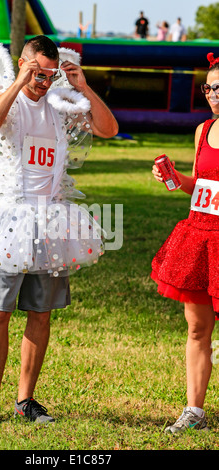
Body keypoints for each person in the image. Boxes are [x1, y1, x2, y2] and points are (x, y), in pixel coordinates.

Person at [0, 34, 118, 427]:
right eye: (36, 73)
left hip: (52, 220)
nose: (42, 82)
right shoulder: (1, 97)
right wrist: (18, 83)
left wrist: (83, 87)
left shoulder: (60, 108)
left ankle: (26, 399)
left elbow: (108, 129)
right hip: (9, 221)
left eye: (48, 75)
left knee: (40, 312)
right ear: (24, 64)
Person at [151, 52, 219, 434]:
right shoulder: (203, 130)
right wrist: (173, 176)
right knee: (197, 330)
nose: (213, 94)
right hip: (200, 236)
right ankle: (194, 409)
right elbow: (199, 185)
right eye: (209, 87)